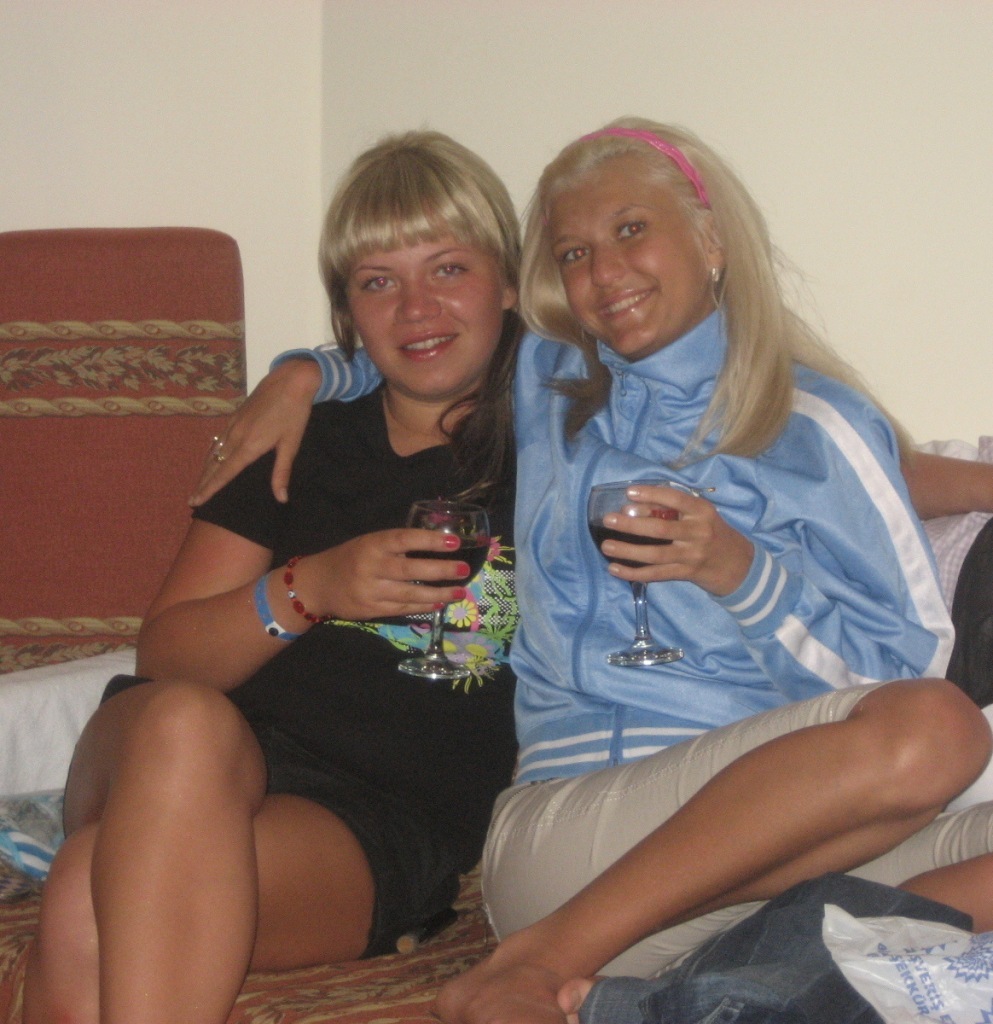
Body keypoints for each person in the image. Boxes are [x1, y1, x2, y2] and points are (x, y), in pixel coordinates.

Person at [195, 120, 993, 1024]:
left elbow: (898, 663)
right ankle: (539, 962)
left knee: (934, 736)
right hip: (574, 832)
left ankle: (701, 989)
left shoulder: (819, 424)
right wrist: (300, 373)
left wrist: (742, 575)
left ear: (710, 237)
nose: (604, 272)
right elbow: (415, 340)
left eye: (629, 230)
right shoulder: (550, 378)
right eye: (574, 253)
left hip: (755, 843)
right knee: (933, 730)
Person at [22, 130, 522, 1024]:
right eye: (378, 282)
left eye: (448, 269)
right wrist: (310, 589)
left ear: (509, 284)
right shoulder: (300, 437)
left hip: (373, 821)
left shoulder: (556, 448)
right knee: (186, 724)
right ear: (348, 311)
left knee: (89, 891)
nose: (416, 308)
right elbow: (167, 657)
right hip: (168, 748)